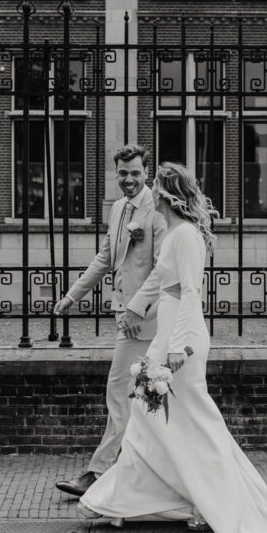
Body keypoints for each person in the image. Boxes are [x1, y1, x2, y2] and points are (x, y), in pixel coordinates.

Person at [78, 162, 267, 533]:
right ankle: (127, 500)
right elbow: (160, 283)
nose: (150, 196)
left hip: (180, 341)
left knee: (187, 422)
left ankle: (201, 500)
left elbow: (190, 294)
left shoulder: (185, 236)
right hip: (166, 337)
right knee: (149, 420)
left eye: (156, 190)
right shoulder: (176, 235)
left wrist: (177, 348)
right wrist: (143, 318)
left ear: (167, 197)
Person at [53, 144, 166, 497]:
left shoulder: (158, 209)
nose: (128, 180)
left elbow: (163, 269)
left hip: (146, 319)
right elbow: (104, 259)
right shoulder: (118, 209)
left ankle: (99, 472)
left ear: (147, 173)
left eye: (135, 173)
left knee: (120, 391)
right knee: (146, 397)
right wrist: (72, 296)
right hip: (126, 317)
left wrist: (136, 308)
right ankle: (143, 473)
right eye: (122, 173)